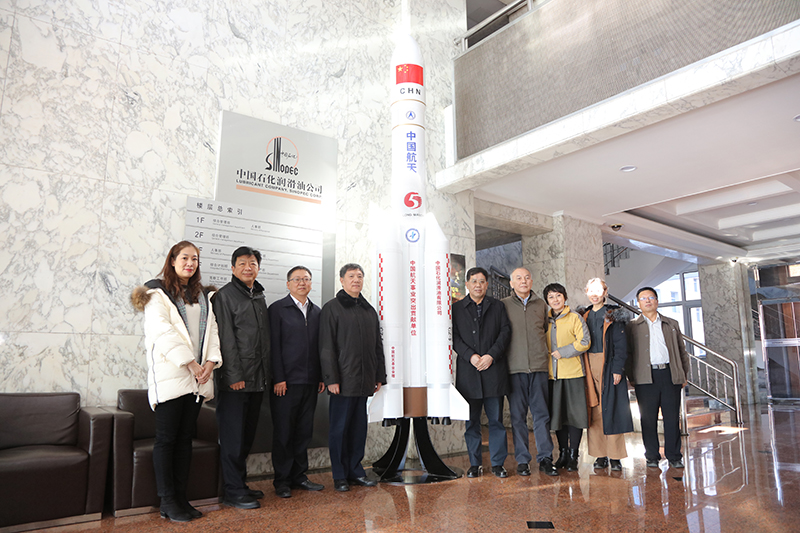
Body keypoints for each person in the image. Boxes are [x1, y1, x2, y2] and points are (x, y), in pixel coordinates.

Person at [131, 241, 222, 522]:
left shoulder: (202, 296)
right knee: (167, 440)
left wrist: (210, 363)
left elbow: (212, 331)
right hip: (172, 375)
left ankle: (181, 498)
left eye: (195, 259)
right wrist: (191, 363)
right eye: (184, 258)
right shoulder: (157, 293)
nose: (190, 263)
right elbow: (162, 331)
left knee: (184, 440)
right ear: (172, 260)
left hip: (198, 378)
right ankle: (167, 501)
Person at [319, 263, 386, 492]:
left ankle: (356, 471)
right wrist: (331, 379)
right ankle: (339, 475)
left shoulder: (369, 310)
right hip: (342, 382)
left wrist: (379, 375)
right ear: (342, 280)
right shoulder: (332, 308)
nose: (356, 280)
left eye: (359, 276)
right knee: (339, 430)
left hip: (364, 381)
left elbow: (377, 346)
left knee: (358, 429)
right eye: (351, 276)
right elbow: (326, 347)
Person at [213, 246, 271, 509]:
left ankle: (239, 483)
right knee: (233, 438)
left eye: (253, 263)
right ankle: (232, 491)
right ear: (233, 267)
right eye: (243, 263)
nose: (248, 267)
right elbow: (225, 338)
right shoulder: (224, 296)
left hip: (257, 379)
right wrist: (233, 376)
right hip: (236, 381)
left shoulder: (258, 296)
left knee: (247, 437)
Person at [268, 266, 325, 498]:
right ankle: (282, 480)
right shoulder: (277, 309)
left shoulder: (317, 312)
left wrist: (320, 376)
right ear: (288, 284)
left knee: (303, 432)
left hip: (310, 382)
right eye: (297, 279)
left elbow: (320, 347)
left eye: (306, 279)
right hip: (286, 383)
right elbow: (273, 346)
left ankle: (299, 476)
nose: (302, 283)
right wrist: (279, 377)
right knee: (284, 432)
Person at [453, 267, 511, 478]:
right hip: (469, 373)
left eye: (481, 281)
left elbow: (505, 332)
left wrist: (491, 356)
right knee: (471, 422)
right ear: (467, 284)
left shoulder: (497, 306)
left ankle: (497, 464)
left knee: (496, 421)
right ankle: (475, 463)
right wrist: (471, 356)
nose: (478, 285)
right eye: (474, 281)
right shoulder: (456, 309)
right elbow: (454, 337)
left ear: (487, 285)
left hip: (493, 371)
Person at [502, 268, 558, 477]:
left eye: (526, 278)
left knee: (541, 415)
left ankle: (545, 458)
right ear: (511, 283)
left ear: (532, 281)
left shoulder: (541, 305)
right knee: (518, 417)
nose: (523, 281)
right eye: (518, 278)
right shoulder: (504, 305)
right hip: (514, 369)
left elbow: (544, 330)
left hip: (538, 367)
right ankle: (523, 460)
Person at [627, 286, 691, 469]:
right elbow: (628, 354)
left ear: (657, 300)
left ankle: (674, 456)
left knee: (672, 418)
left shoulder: (671, 324)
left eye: (651, 297)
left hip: (670, 374)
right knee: (648, 419)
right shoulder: (632, 326)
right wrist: (631, 376)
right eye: (643, 298)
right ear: (638, 303)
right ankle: (652, 456)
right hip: (645, 377)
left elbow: (682, 351)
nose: (647, 301)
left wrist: (683, 374)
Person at [581, 278, 633, 472]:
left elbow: (621, 345)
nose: (594, 294)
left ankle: (615, 456)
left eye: (598, 290)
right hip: (588, 364)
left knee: (612, 409)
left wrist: (618, 369)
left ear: (605, 292)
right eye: (591, 290)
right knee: (594, 409)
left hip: (609, 364)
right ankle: (600, 455)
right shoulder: (583, 315)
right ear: (586, 292)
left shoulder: (614, 315)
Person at [543, 282, 590, 472]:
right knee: (558, 417)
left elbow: (584, 341)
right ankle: (562, 454)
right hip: (552, 375)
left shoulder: (575, 317)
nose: (555, 300)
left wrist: (563, 352)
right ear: (547, 301)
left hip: (573, 374)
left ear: (565, 297)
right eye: (551, 297)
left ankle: (573, 456)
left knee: (574, 417)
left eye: (558, 296)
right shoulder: (544, 320)